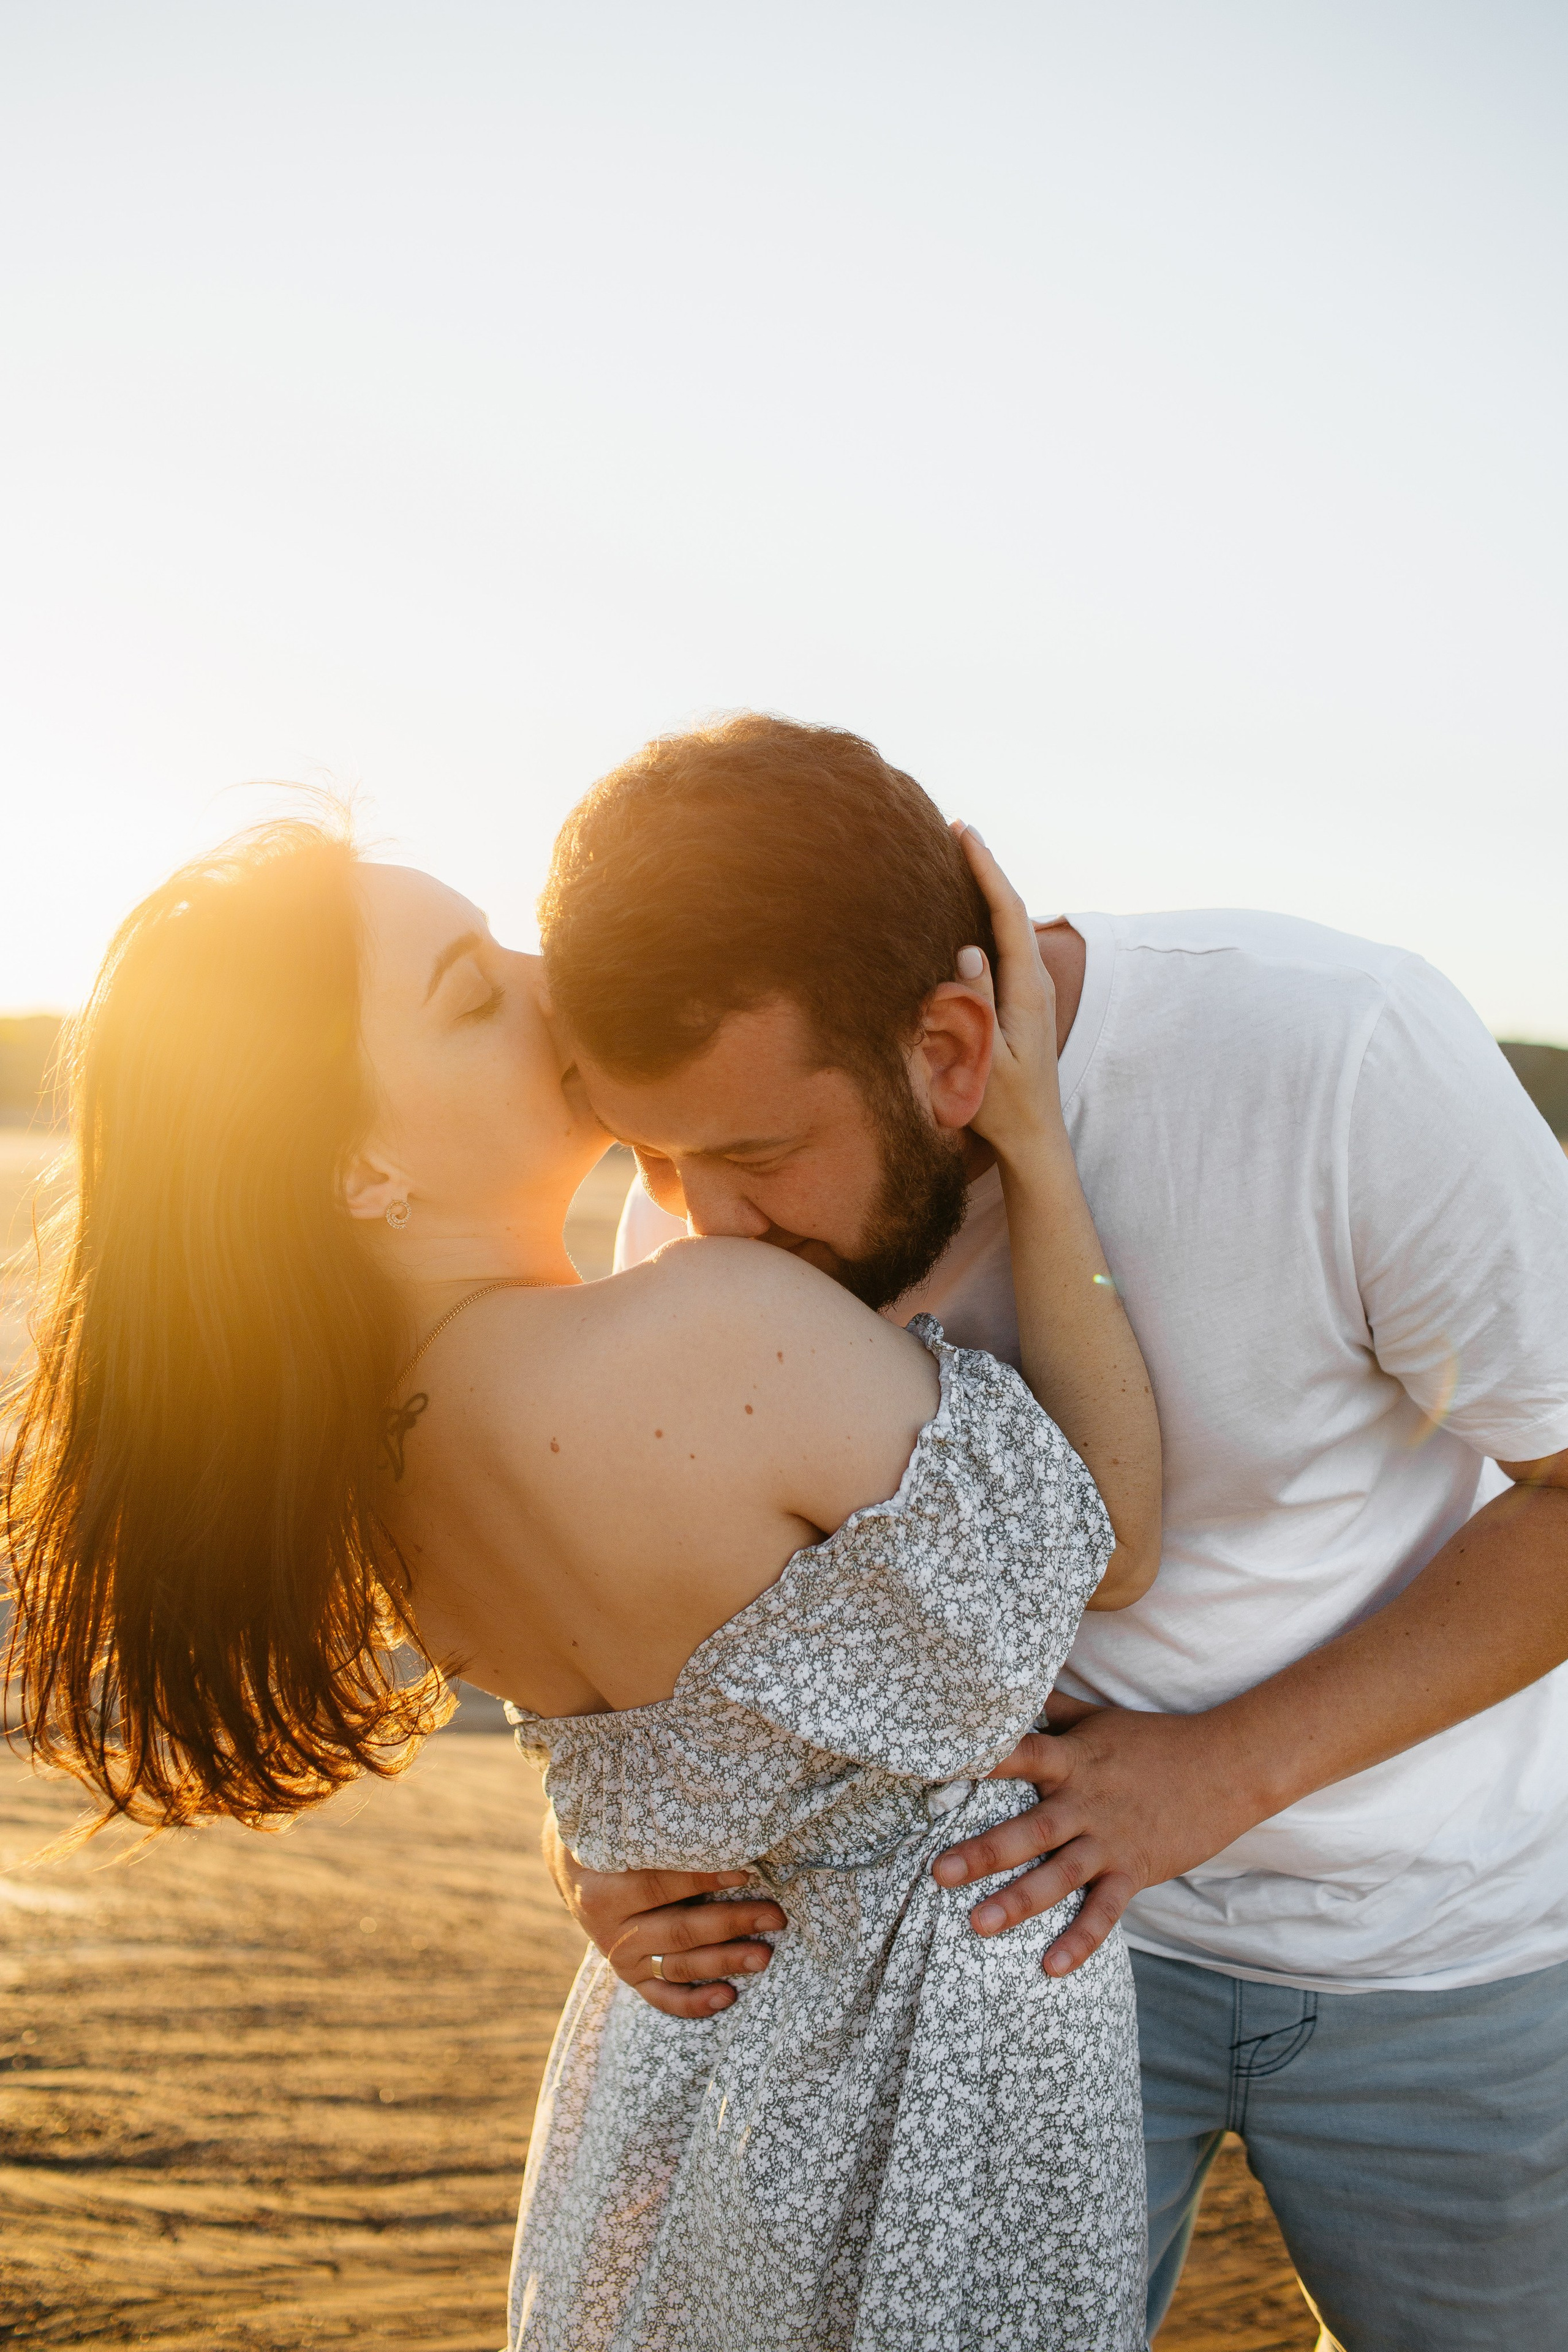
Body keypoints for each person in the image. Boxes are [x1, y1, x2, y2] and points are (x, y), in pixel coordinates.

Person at [4, 802, 1161, 2351]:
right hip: (926, 2094)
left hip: (670, 2084)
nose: (549, 981)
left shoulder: (363, 1485)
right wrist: (1032, 1144)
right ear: (360, 1168)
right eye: (471, 995)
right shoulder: (712, 1328)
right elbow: (1112, 1542)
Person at [540, 712, 1568, 2352]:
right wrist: (612, 1864)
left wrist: (1219, 1771)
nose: (699, 1218)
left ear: (954, 1048)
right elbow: (689, 1633)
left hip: (1441, 1953)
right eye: (655, 1158)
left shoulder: (1333, 1057)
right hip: (986, 1978)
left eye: (750, 1153)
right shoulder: (706, 1231)